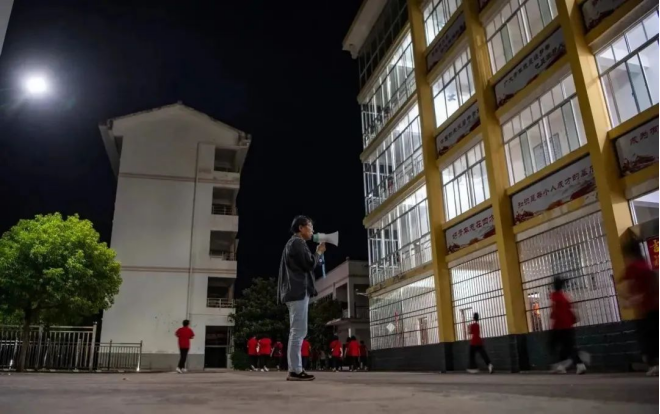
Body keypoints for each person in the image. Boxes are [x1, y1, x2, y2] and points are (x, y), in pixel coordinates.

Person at [277, 215, 325, 382]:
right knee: (298, 331)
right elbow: (310, 264)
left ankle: (296, 369)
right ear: (301, 228)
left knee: (298, 331)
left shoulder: (294, 243)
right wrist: (318, 252)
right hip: (297, 291)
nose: (312, 230)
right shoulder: (297, 242)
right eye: (310, 226)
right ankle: (295, 370)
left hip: (295, 291)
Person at [622, 241, 659, 376]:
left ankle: (655, 365)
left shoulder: (633, 267)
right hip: (655, 307)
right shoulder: (645, 265)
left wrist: (630, 300)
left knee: (648, 339)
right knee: (654, 336)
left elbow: (626, 286)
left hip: (646, 310)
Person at [549, 277, 587, 375]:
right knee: (565, 347)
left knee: (567, 347)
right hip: (568, 326)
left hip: (560, 326)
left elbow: (555, 311)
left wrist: (552, 320)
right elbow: (570, 307)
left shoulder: (555, 296)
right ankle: (561, 367)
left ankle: (580, 364)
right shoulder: (564, 296)